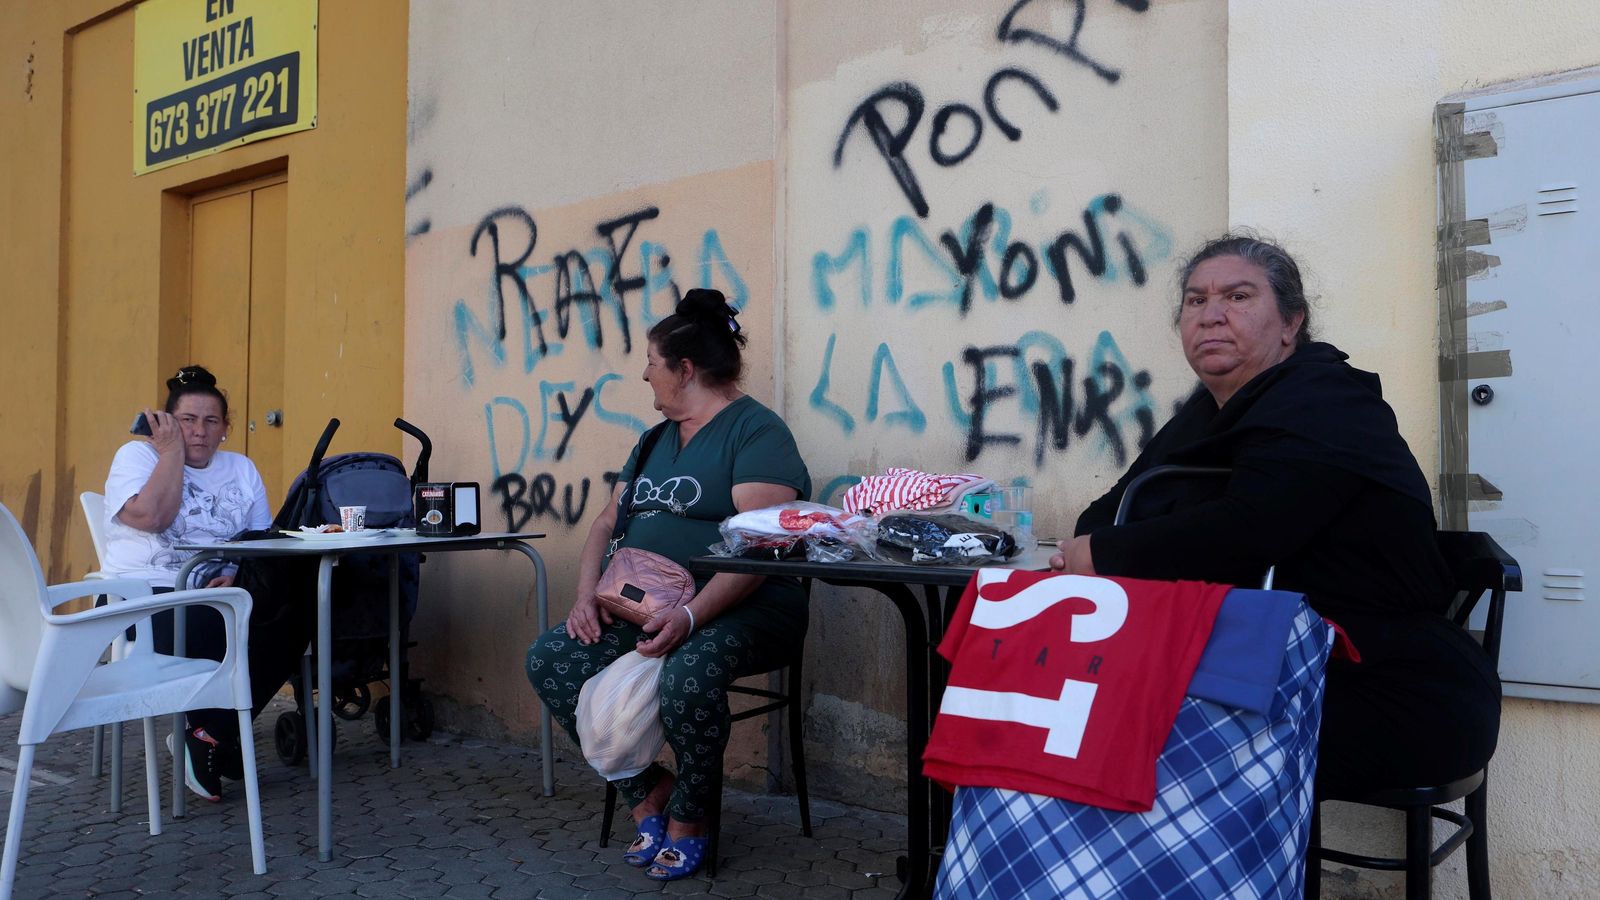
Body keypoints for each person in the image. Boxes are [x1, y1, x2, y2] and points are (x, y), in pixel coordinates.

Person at [1049, 233, 1500, 797]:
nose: (1211, 315)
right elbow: (1109, 511)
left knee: (1110, 728)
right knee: (1067, 705)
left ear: (1291, 324)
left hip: (1395, 689)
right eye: (1195, 301)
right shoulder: (1212, 410)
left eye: (1238, 297)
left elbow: (1251, 530)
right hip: (1268, 667)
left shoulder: (1327, 401)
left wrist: (1104, 554)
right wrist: (1098, 545)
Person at [525, 289, 811, 882]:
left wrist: (689, 618)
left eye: (651, 364)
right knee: (551, 656)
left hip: (746, 608)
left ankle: (692, 817)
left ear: (685, 369)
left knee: (688, 671)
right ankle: (650, 795)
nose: (644, 376)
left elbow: (761, 551)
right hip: (644, 605)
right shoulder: (654, 439)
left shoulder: (757, 432)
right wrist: (585, 597)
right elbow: (607, 523)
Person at [103, 365, 315, 802]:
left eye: (211, 421)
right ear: (165, 423)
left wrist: (237, 571)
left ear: (225, 429)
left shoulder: (241, 468)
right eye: (187, 420)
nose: (199, 431)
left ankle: (207, 734)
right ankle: (219, 733)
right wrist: (170, 454)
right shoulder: (136, 458)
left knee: (298, 616)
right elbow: (153, 518)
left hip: (221, 594)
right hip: (145, 601)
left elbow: (259, 545)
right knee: (225, 626)